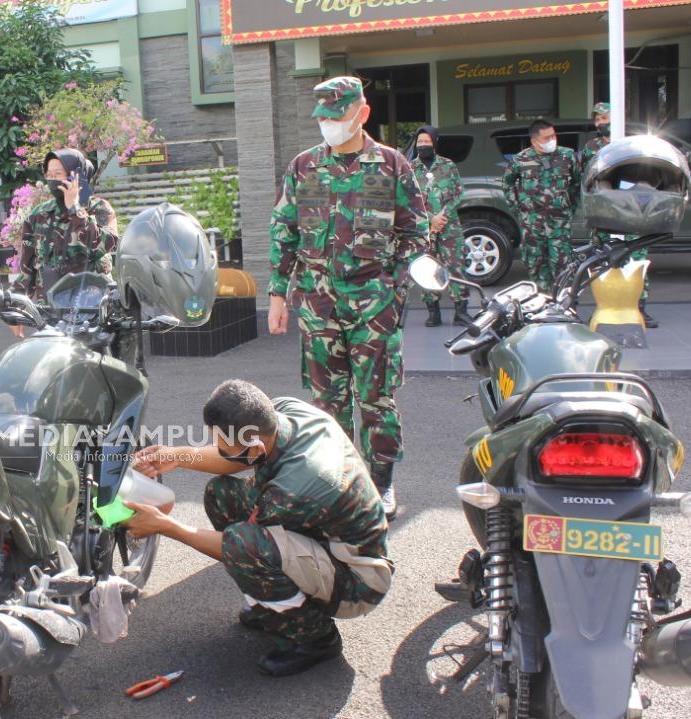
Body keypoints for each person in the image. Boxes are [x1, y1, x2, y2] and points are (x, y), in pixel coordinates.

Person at [124, 380, 391, 677]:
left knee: (244, 546)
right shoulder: (283, 412)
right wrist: (176, 456)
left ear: (256, 445)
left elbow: (233, 545)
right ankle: (276, 605)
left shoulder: (296, 488)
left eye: (225, 444)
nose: (220, 449)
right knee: (221, 494)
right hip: (324, 534)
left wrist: (165, 525)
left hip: (357, 580)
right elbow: (236, 459)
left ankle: (315, 639)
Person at [267, 76, 429, 518]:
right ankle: (336, 482)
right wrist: (278, 296)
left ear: (362, 113)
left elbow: (416, 233)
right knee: (326, 404)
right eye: (323, 117)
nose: (329, 125)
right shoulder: (304, 167)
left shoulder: (392, 165)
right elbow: (284, 231)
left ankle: (380, 484)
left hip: (373, 305)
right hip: (318, 306)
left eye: (337, 116)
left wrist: (393, 288)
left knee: (376, 399)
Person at [579, 103, 657, 328]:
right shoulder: (591, 147)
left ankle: (640, 308)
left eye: (606, 117)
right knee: (603, 260)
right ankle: (605, 307)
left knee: (636, 259)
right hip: (604, 214)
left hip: (631, 213)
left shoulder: (631, 143)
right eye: (598, 119)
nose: (602, 122)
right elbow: (585, 177)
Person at [13, 148, 118, 299]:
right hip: (50, 309)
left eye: (58, 175)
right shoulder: (38, 215)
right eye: (49, 175)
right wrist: (18, 305)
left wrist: (75, 210)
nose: (53, 180)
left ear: (75, 176)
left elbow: (101, 245)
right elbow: (28, 268)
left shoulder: (99, 208)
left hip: (92, 306)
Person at [502, 118, 580, 293]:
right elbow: (507, 184)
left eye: (553, 136)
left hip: (559, 223)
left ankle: (562, 304)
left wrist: (569, 208)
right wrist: (519, 209)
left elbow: (576, 184)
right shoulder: (521, 160)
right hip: (532, 224)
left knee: (563, 265)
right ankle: (542, 303)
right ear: (534, 141)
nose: (552, 140)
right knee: (535, 264)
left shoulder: (567, 156)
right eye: (547, 138)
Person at [412, 126, 472, 328]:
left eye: (427, 141)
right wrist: (430, 218)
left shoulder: (448, 166)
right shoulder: (410, 168)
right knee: (428, 269)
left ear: (435, 143)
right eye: (419, 141)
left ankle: (461, 312)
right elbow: (408, 200)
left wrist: (442, 216)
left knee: (456, 266)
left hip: (449, 227)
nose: (422, 145)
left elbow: (458, 194)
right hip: (424, 229)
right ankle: (433, 312)